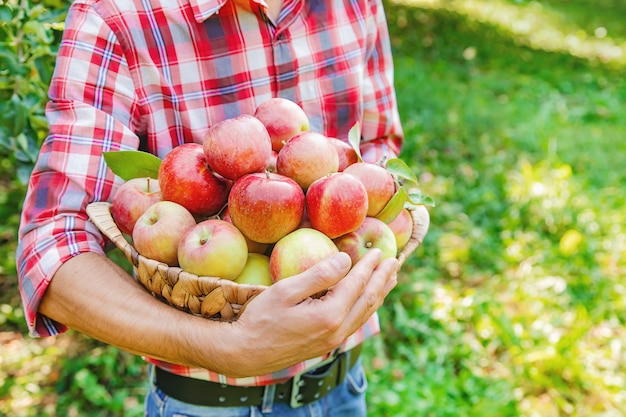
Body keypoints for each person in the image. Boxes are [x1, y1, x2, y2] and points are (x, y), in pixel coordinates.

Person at [16, 0, 407, 415]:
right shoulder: (116, 17)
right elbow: (49, 248)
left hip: (344, 386)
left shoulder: (357, 4)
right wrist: (224, 346)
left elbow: (377, 148)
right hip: (210, 404)